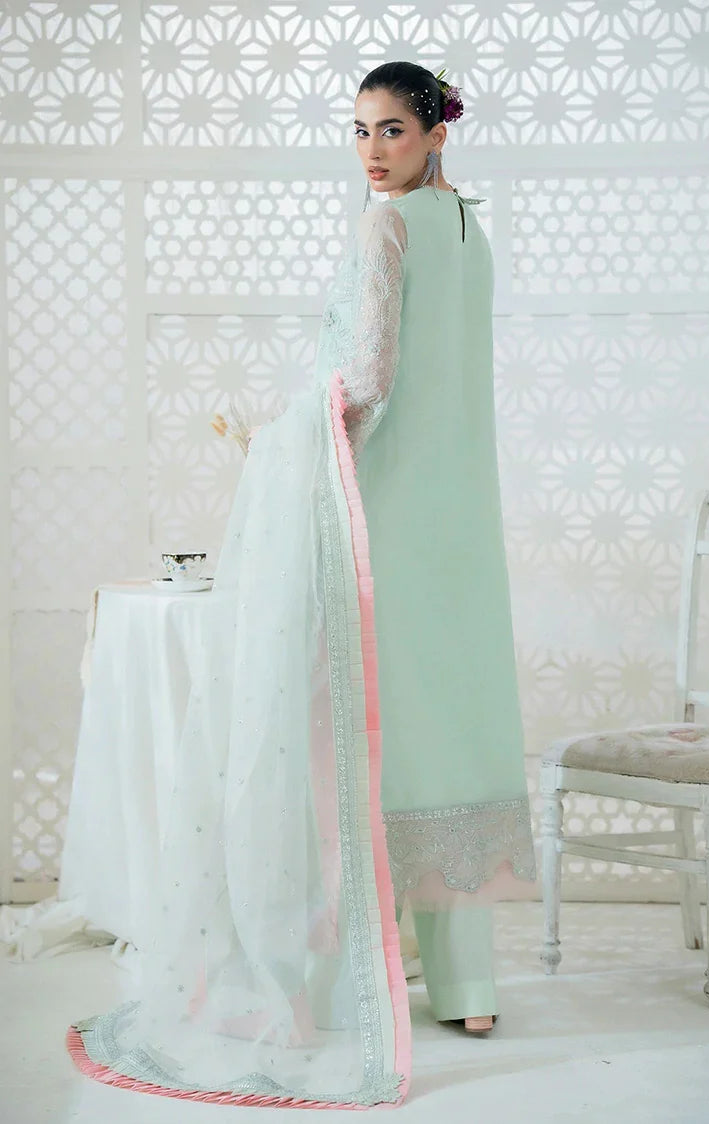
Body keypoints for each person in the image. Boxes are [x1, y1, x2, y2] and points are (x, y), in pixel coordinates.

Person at [65, 61, 535, 1110]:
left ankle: (319, 982)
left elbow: (365, 377)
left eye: (394, 130)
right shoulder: (473, 232)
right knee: (444, 726)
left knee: (341, 740)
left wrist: (281, 435)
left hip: (375, 515)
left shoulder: (387, 226)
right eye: (360, 130)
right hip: (459, 524)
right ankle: (468, 989)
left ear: (438, 134)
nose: (373, 151)